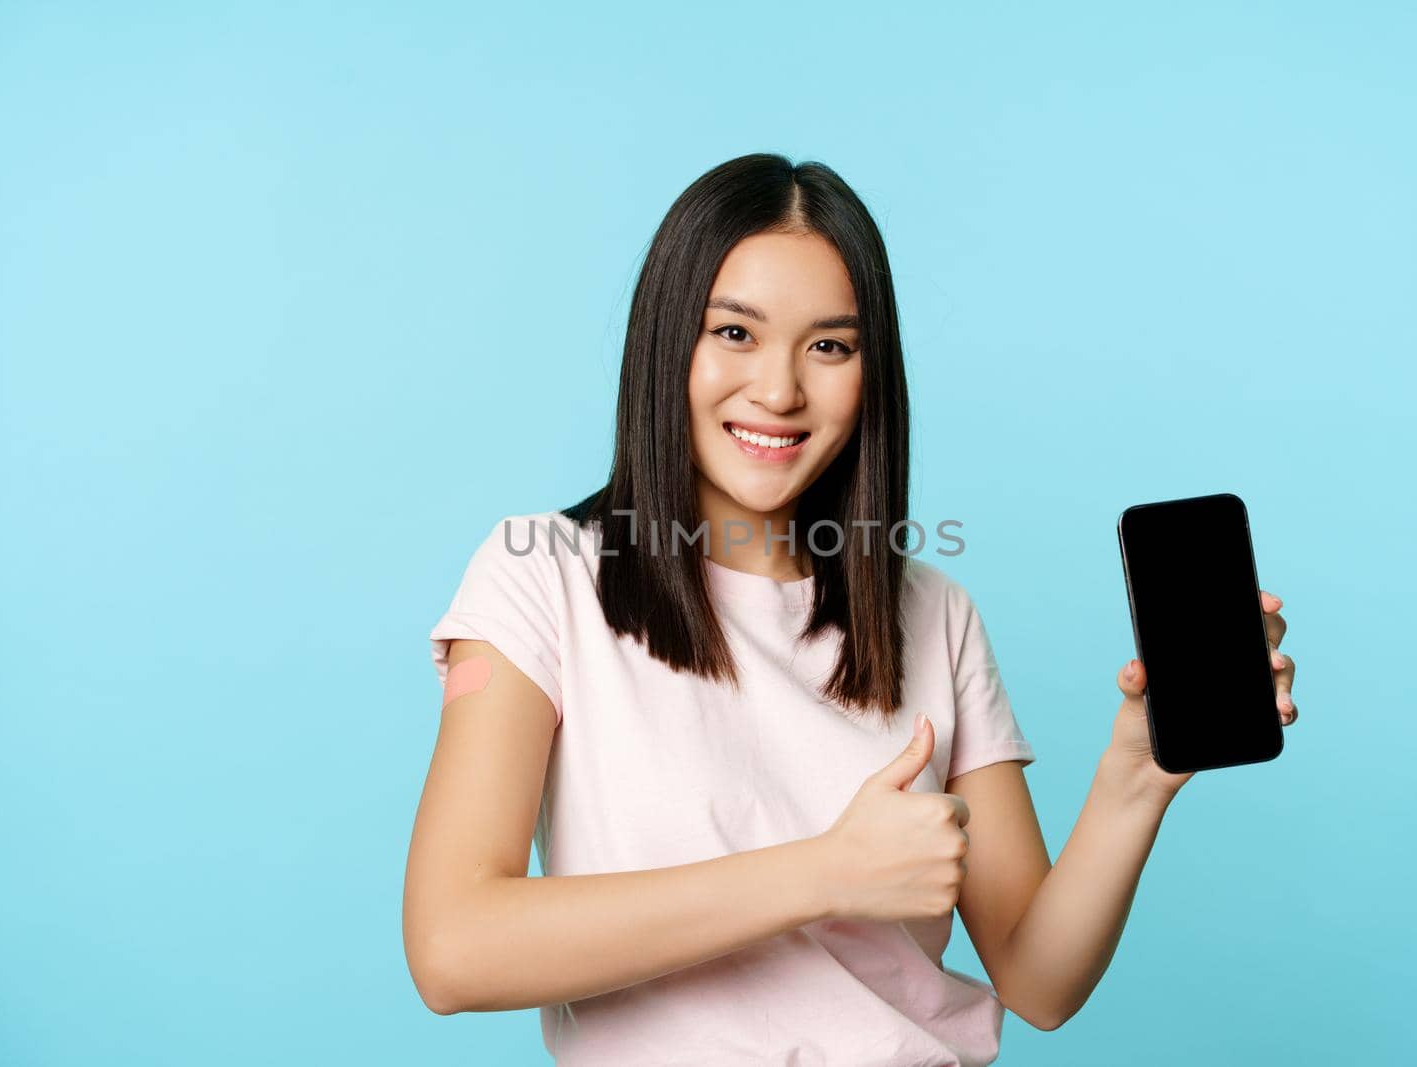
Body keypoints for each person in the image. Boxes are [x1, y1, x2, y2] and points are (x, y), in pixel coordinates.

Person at [401, 153, 1299, 1065]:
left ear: (873, 373)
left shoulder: (932, 611)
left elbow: (1037, 978)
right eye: (735, 333)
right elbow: (452, 947)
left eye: (829, 345)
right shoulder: (541, 577)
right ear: (666, 340)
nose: (781, 390)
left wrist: (1136, 775)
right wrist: (823, 872)